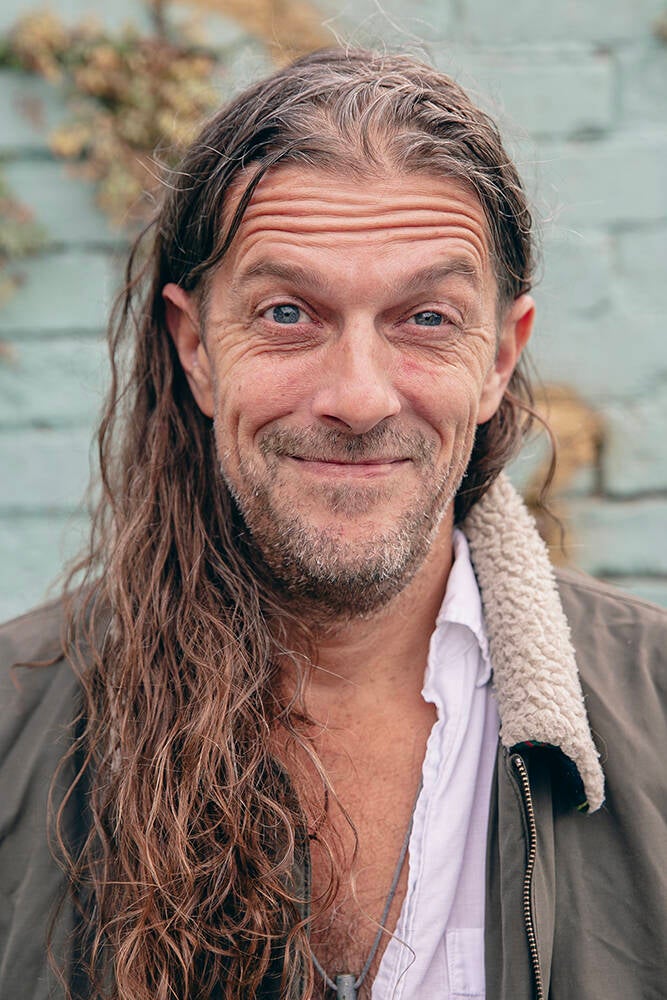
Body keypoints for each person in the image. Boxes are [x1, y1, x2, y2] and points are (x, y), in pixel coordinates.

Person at [0, 48, 665, 1000]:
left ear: (497, 359)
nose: (357, 397)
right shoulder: (14, 729)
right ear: (196, 348)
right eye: (287, 313)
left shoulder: (655, 712)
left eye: (426, 319)